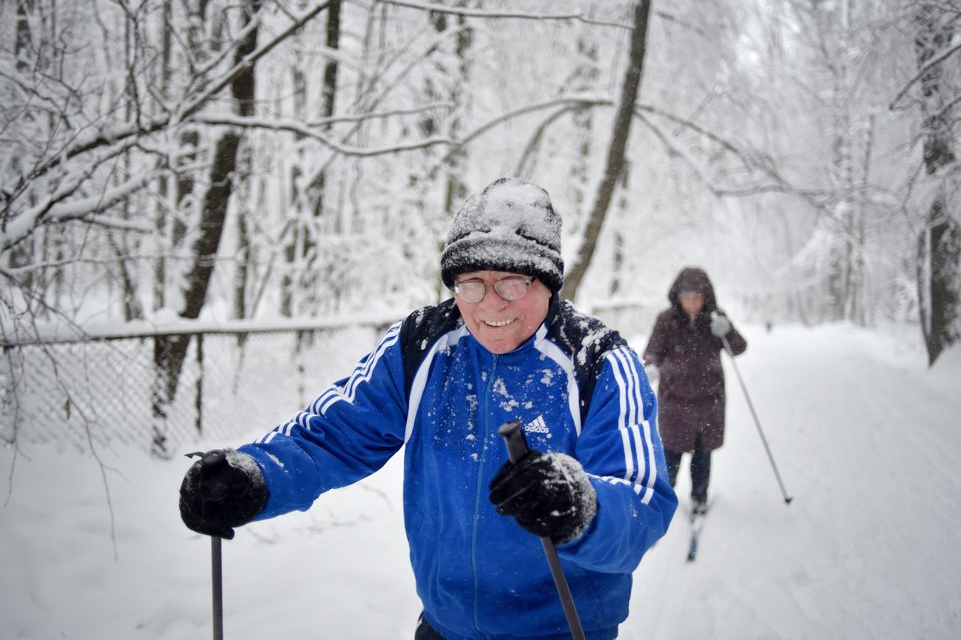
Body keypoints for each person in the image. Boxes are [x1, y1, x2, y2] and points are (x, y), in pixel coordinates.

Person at [179, 177, 677, 640]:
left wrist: (580, 504)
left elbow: (643, 501)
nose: (490, 303)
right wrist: (256, 477)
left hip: (563, 630)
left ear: (547, 283)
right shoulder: (421, 346)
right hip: (444, 628)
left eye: (512, 282)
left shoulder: (599, 362)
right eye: (471, 283)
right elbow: (329, 437)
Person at [642, 267, 746, 516]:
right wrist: (652, 367)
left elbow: (739, 347)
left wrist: (727, 330)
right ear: (677, 296)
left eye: (697, 297)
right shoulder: (666, 320)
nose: (691, 303)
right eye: (686, 297)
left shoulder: (714, 318)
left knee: (702, 455)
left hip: (708, 401)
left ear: (706, 296)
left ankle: (699, 499)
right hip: (674, 400)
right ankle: (662, 502)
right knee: (670, 455)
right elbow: (652, 351)